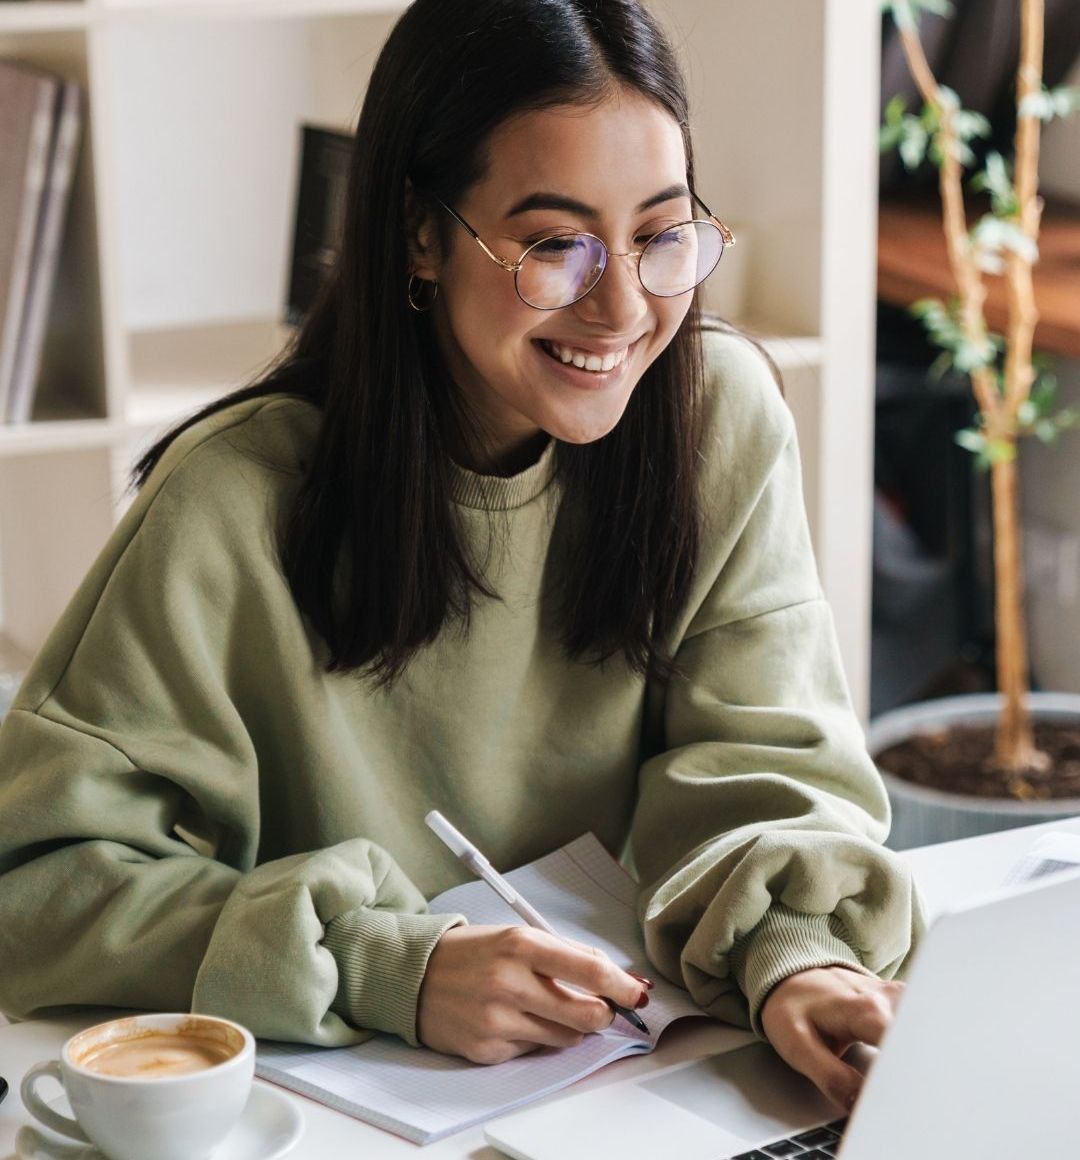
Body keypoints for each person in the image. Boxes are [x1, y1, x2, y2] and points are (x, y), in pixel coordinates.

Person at [0, 0, 923, 1115]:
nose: (623, 305)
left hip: (643, 1084)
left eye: (661, 232)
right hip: (349, 1116)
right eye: (553, 243)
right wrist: (393, 963)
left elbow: (765, 760)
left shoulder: (716, 417)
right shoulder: (232, 500)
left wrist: (798, 951)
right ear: (420, 235)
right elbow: (38, 886)